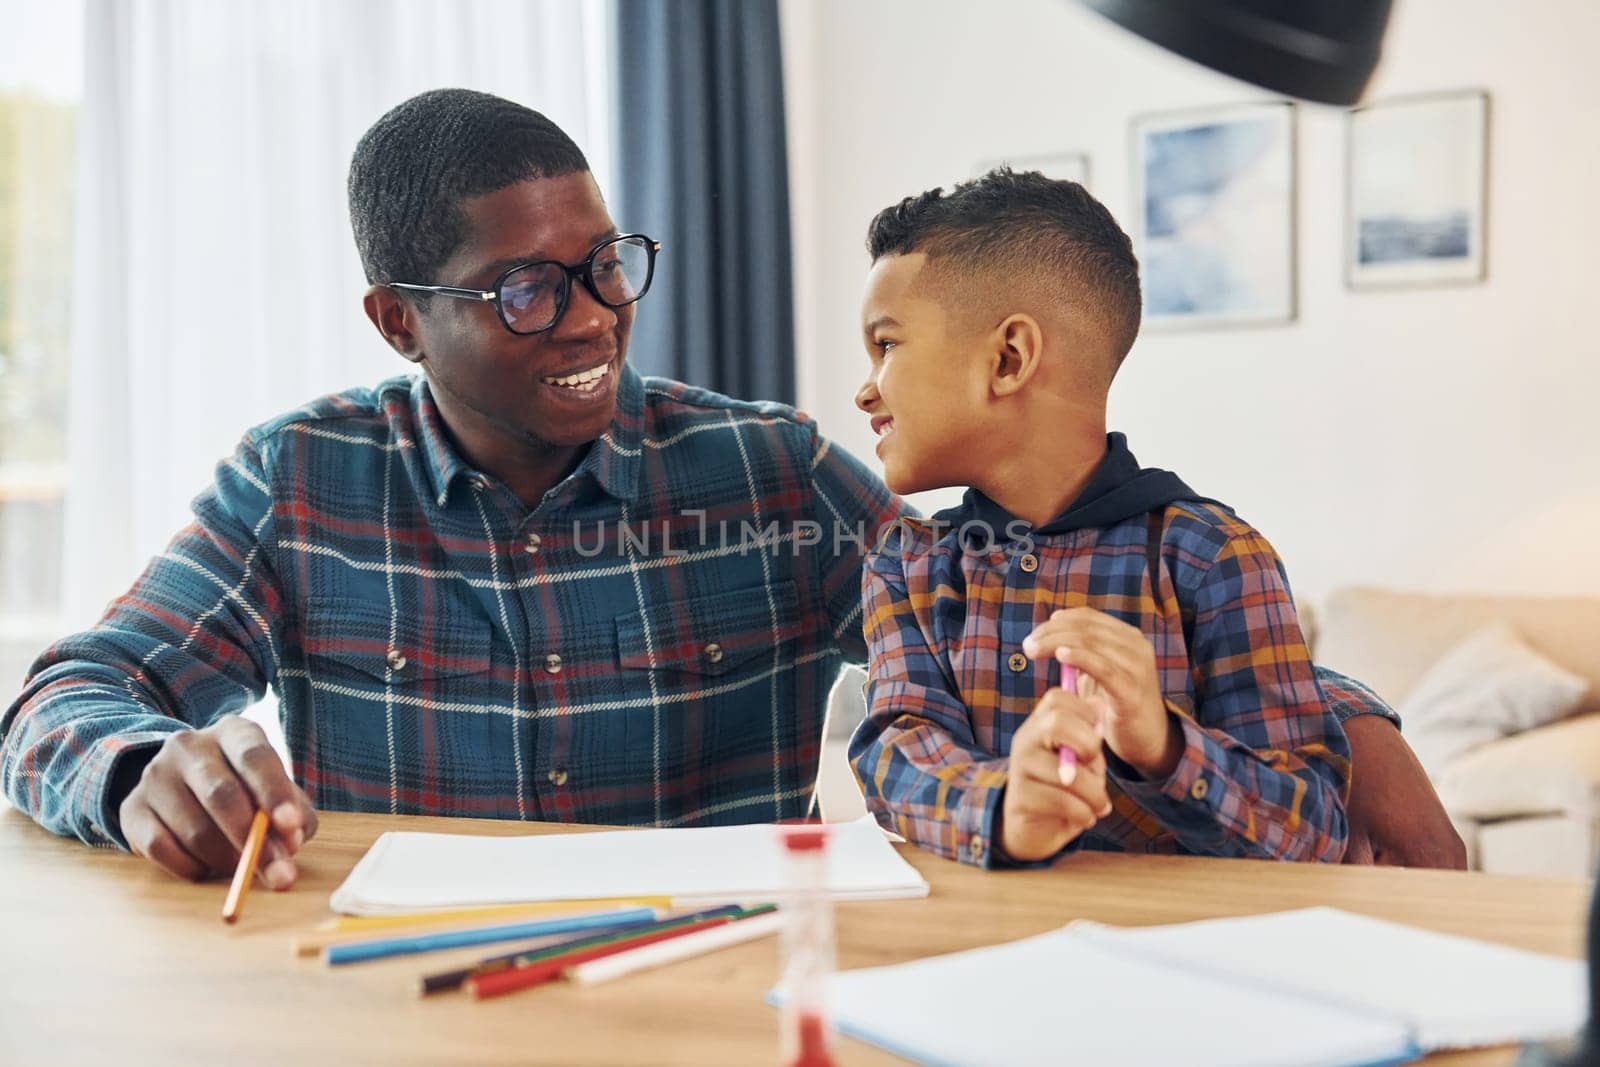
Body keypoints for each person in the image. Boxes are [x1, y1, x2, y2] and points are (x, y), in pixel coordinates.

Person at [0, 91, 1460, 891]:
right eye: (523, 290)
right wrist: (136, 767)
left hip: (710, 993)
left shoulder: (764, 469)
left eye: (603, 262)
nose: (590, 317)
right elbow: (67, 691)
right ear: (399, 321)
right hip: (402, 1006)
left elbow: (1026, 600)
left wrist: (1347, 711)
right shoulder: (301, 480)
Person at [848, 169, 1453, 866]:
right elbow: (896, 751)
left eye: (886, 345)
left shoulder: (1214, 555)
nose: (865, 390)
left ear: (1009, 358)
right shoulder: (904, 562)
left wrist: (1162, 742)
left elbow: (1312, 825)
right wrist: (1001, 805)